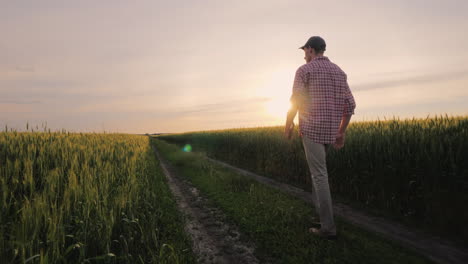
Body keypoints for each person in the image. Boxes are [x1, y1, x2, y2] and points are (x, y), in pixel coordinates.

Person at [284, 36, 356, 240]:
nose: (304, 55)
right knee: (319, 173)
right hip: (330, 131)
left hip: (312, 129)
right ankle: (322, 218)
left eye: (305, 51)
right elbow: (350, 105)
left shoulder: (304, 70)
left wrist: (288, 123)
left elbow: (296, 100)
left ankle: (328, 228)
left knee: (319, 175)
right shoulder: (340, 72)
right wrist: (341, 131)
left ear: (310, 50)